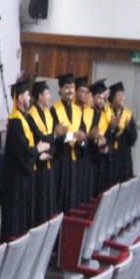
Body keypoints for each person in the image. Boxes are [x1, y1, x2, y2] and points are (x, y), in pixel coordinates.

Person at [1, 79, 48, 242]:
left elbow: (36, 141)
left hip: (23, 178)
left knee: (23, 218)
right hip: (15, 181)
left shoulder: (24, 118)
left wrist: (38, 153)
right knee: (15, 219)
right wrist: (37, 150)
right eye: (28, 95)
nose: (30, 98)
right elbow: (22, 151)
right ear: (20, 98)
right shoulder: (15, 121)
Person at [28, 80, 60, 223]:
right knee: (38, 205)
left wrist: (50, 152)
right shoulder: (31, 115)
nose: (49, 96)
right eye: (47, 93)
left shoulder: (48, 113)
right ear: (40, 96)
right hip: (37, 167)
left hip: (48, 164)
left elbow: (54, 139)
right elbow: (38, 137)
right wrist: (52, 138)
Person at [50, 73, 82, 212]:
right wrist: (74, 136)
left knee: (72, 200)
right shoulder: (54, 110)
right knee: (60, 199)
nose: (70, 91)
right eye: (67, 87)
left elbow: (82, 132)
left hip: (74, 161)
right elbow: (58, 136)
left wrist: (81, 141)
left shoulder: (78, 110)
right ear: (60, 91)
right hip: (60, 160)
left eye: (72, 87)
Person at [109, 81, 138, 183]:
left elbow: (133, 139)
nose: (122, 97)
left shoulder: (128, 115)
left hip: (124, 158)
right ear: (112, 97)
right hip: (110, 159)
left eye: (123, 94)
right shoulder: (107, 113)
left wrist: (127, 128)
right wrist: (112, 127)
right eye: (118, 95)